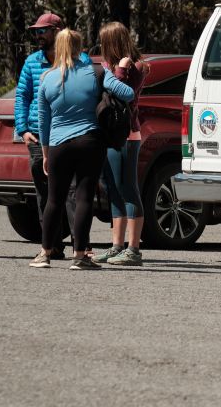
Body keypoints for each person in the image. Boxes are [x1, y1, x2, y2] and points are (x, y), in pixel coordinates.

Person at [30, 29, 134, 270]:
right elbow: (127, 94)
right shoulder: (96, 72)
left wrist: (45, 153)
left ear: (58, 47)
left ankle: (44, 253)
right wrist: (117, 75)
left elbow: (43, 121)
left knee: (54, 199)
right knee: (84, 196)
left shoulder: (47, 77)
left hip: (58, 144)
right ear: (80, 48)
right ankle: (79, 255)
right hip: (90, 141)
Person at [15, 12, 88, 258]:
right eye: (36, 31)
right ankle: (52, 245)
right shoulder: (32, 62)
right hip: (38, 135)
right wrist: (23, 129)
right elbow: (22, 96)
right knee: (44, 193)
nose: (38, 35)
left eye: (43, 30)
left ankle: (81, 245)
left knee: (72, 192)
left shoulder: (81, 61)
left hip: (70, 134)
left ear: (58, 31)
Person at [93, 22, 150, 266]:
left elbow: (124, 93)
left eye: (105, 42)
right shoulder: (112, 67)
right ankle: (117, 245)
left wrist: (119, 71)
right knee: (113, 190)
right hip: (110, 135)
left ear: (113, 43)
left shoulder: (136, 67)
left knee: (129, 189)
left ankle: (134, 249)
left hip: (128, 135)